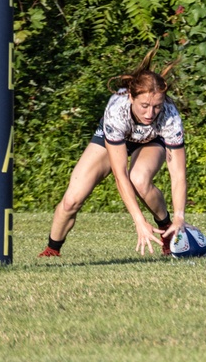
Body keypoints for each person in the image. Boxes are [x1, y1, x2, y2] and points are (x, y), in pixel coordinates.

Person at [39, 45, 189, 257]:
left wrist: (180, 217)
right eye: (144, 105)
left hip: (151, 140)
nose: (150, 113)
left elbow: (178, 175)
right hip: (114, 138)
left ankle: (166, 229)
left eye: (156, 106)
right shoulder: (116, 111)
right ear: (130, 97)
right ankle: (51, 251)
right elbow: (120, 174)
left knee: (139, 179)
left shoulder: (169, 116)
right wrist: (138, 220)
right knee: (72, 200)